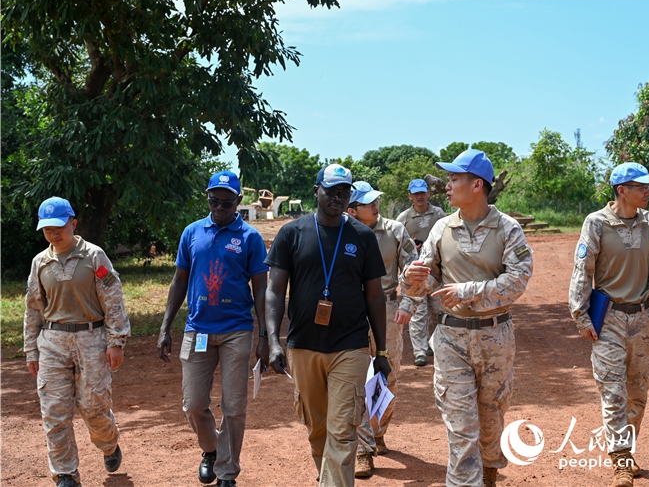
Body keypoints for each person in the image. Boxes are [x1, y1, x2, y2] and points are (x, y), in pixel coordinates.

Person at [401, 149, 533, 487]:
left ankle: (489, 467)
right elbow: (428, 281)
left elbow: (518, 280)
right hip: (450, 337)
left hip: (495, 337)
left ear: (477, 185)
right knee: (461, 428)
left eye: (454, 179)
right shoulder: (442, 229)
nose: (447, 185)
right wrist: (411, 279)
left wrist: (468, 290)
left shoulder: (507, 229)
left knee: (492, 418)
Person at [264, 164, 392, 487]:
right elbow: (274, 291)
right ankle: (328, 480)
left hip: (350, 346)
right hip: (303, 345)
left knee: (342, 430)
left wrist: (382, 350)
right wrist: (273, 340)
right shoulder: (291, 234)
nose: (337, 196)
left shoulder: (362, 237)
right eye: (331, 190)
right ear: (315, 191)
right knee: (318, 429)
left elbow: (375, 297)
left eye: (344, 191)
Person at [568, 162, 649, 487]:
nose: (648, 191)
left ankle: (627, 449)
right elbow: (582, 271)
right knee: (613, 391)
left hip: (643, 319)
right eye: (641, 186)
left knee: (638, 392)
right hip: (610, 319)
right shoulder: (597, 223)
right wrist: (581, 315)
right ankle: (620, 459)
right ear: (622, 191)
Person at [157, 170, 268, 487]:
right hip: (197, 329)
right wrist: (166, 326)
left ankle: (227, 473)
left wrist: (264, 335)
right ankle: (211, 449)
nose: (219, 206)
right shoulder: (192, 233)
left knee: (234, 407)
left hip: (237, 330)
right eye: (214, 200)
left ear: (239, 201)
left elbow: (261, 288)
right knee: (193, 403)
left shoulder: (250, 238)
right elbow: (179, 281)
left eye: (226, 201)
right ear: (207, 198)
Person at [24, 196, 131, 487]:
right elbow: (33, 307)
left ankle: (109, 443)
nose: (53, 234)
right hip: (52, 341)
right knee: (55, 412)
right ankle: (65, 473)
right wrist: (31, 350)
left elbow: (112, 298)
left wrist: (116, 341)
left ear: (73, 223)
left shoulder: (94, 256)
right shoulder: (40, 262)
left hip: (92, 338)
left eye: (58, 227)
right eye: (47, 229)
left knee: (93, 408)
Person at [347, 181, 419, 477]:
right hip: (352, 312)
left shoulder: (395, 230)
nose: (375, 205)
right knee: (357, 379)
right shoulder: (342, 232)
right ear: (352, 210)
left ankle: (378, 431)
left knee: (387, 376)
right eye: (368, 202)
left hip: (389, 311)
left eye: (376, 200)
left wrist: (409, 304)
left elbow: (415, 267)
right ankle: (364, 449)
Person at [396, 178, 446, 366]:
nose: (419, 197)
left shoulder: (439, 214)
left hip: (434, 272)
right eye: (415, 193)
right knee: (418, 310)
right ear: (410, 196)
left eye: (422, 193)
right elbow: (398, 246)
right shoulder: (403, 219)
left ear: (429, 194)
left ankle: (432, 343)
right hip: (414, 273)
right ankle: (419, 350)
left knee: (436, 309)